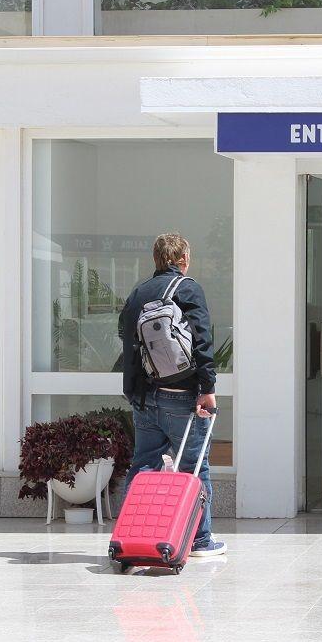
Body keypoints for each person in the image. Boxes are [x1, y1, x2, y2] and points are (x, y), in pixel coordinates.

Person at [119, 233, 225, 558]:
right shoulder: (188, 288)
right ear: (184, 259)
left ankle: (129, 536)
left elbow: (125, 335)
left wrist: (135, 389)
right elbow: (203, 341)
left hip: (145, 397)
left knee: (143, 465)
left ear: (156, 259)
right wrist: (207, 389)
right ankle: (200, 541)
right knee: (195, 466)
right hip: (181, 396)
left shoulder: (140, 292)